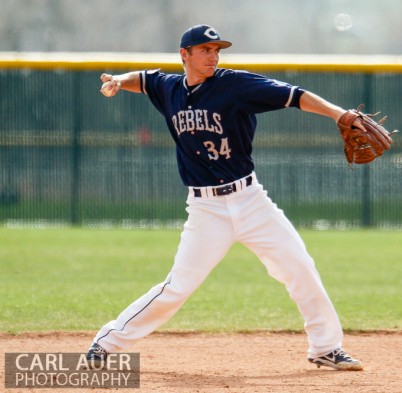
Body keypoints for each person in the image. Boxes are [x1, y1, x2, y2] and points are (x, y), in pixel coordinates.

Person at [87, 24, 368, 371]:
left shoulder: (235, 85)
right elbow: (144, 79)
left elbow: (296, 94)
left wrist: (339, 113)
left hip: (251, 200)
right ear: (184, 55)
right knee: (178, 287)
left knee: (299, 266)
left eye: (217, 50)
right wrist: (119, 79)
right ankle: (106, 342)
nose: (213, 56)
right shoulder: (169, 89)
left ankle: (326, 347)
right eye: (205, 50)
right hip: (206, 210)